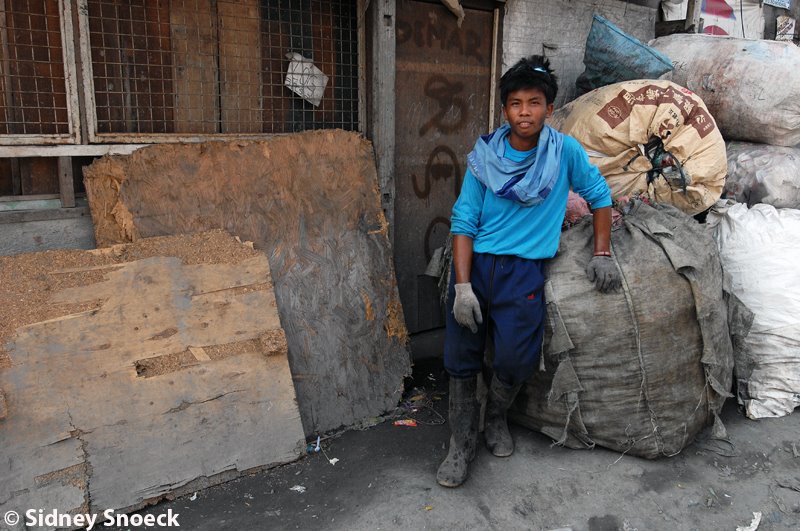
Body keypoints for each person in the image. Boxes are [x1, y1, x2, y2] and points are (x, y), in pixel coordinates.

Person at [437, 55, 621, 488]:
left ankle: (495, 418)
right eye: (516, 103)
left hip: (523, 273)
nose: (525, 112)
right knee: (461, 358)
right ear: (504, 109)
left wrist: (602, 253)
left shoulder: (564, 152)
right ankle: (460, 445)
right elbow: (463, 220)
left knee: (516, 358)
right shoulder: (485, 156)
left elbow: (599, 195)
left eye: (534, 103)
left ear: (549, 108)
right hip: (477, 268)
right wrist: (462, 287)